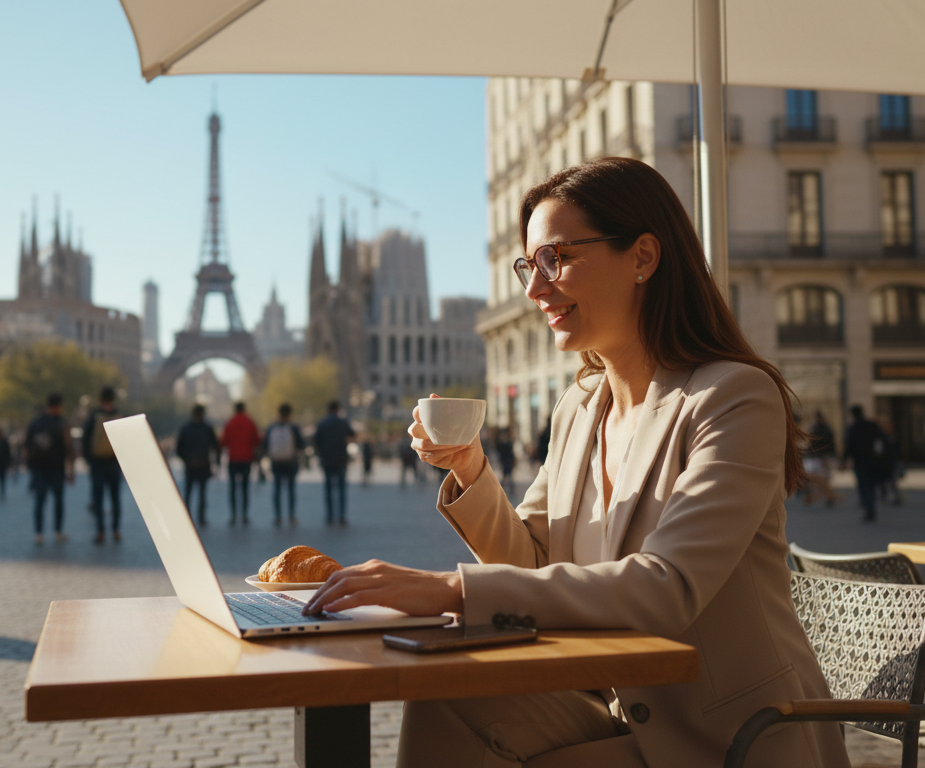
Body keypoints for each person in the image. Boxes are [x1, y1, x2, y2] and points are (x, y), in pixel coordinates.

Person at [300, 158, 850, 767]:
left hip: (729, 739)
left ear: (643, 257)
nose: (535, 290)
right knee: (445, 692)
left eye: (556, 259)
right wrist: (471, 471)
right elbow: (534, 562)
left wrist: (449, 591)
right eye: (529, 266)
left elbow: (667, 589)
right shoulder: (579, 406)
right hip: (618, 715)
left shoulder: (732, 397)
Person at [25, 393, 75, 543]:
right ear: (59, 406)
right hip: (56, 468)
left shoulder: (35, 423)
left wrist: (30, 466)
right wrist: (70, 470)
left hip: (39, 468)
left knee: (39, 500)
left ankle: (39, 533)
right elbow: (69, 448)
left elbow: (26, 446)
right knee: (58, 500)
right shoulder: (62, 423)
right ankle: (58, 531)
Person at [82, 387, 123, 543]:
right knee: (115, 498)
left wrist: (89, 460)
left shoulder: (94, 415)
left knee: (98, 499)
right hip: (114, 463)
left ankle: (100, 531)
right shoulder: (119, 415)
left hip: (98, 464)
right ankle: (116, 530)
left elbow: (86, 439)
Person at [313, 400, 355, 525]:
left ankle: (330, 516)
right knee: (341, 489)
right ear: (338, 409)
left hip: (327, 460)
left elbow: (316, 440)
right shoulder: (342, 422)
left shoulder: (322, 423)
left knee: (329, 489)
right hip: (341, 459)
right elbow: (352, 434)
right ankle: (341, 515)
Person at [177, 404, 220, 526]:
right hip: (203, 465)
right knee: (202, 493)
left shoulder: (185, 428)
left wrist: (187, 459)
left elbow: (179, 449)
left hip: (190, 466)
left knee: (188, 493)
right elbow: (215, 446)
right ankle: (201, 518)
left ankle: (187, 517)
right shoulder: (207, 428)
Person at [263, 403, 305, 525]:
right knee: (291, 490)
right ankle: (291, 516)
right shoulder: (293, 427)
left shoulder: (272, 427)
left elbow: (265, 445)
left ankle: (278, 516)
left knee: (277, 489)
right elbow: (301, 445)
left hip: (276, 462)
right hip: (290, 462)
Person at [843, 405, 886, 522]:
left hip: (860, 461)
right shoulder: (872, 426)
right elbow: (882, 441)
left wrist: (844, 460)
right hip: (873, 460)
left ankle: (867, 505)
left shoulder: (852, 428)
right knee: (870, 485)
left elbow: (849, 446)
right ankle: (870, 505)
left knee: (863, 484)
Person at [221, 402, 261, 526]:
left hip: (233, 459)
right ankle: (244, 515)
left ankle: (233, 515)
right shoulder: (250, 422)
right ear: (244, 409)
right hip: (246, 459)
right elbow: (257, 440)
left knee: (233, 488)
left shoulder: (230, 423)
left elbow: (223, 442)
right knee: (244, 488)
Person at [801, 411, 837, 507]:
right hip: (825, 456)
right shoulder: (827, 428)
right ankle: (827, 497)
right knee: (822, 479)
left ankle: (825, 497)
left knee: (818, 479)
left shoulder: (815, 429)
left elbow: (811, 443)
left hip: (818, 456)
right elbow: (832, 443)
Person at [876, 416, 903, 506]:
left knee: (892, 480)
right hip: (883, 462)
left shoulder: (893, 437)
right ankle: (884, 496)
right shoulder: (881, 437)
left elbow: (897, 450)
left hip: (891, 462)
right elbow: (879, 450)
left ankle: (894, 496)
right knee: (883, 481)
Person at [495, 427, 517, 495]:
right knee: (505, 476)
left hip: (508, 461)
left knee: (509, 476)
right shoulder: (501, 444)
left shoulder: (509, 443)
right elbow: (500, 453)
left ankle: (510, 489)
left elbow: (511, 453)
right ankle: (501, 489)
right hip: (504, 462)